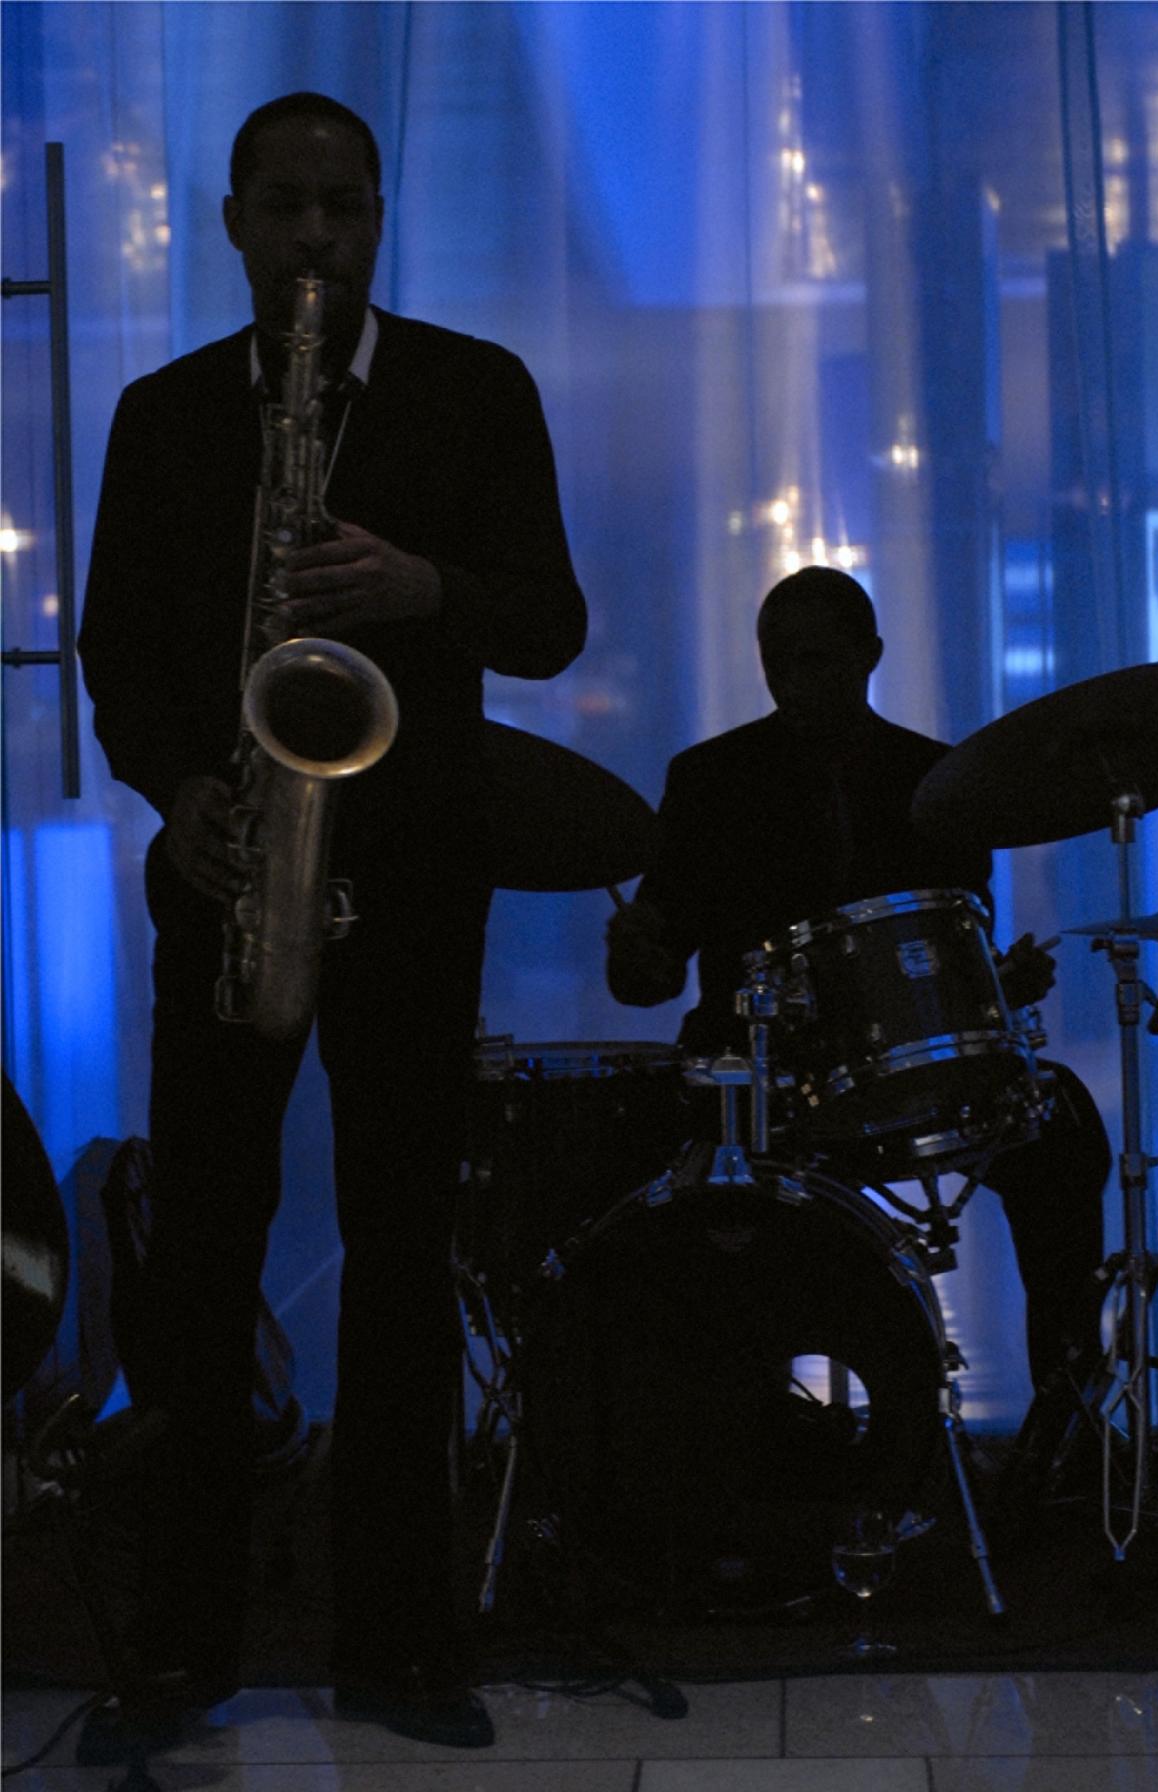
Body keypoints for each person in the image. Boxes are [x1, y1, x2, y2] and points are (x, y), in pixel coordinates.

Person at [77, 92, 586, 1756]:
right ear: (229, 220)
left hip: (417, 876)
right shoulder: (162, 420)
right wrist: (181, 795)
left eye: (344, 210)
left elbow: (553, 621)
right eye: (284, 209)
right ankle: (182, 1646)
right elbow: (121, 654)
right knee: (203, 1270)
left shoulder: (473, 393)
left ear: (382, 217)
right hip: (233, 872)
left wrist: (421, 585)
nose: (314, 241)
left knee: (399, 1261)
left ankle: (404, 1642)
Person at [607, 566, 1110, 1414]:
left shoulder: (940, 784)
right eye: (777, 662)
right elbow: (642, 985)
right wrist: (639, 957)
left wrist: (999, 983)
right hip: (751, 1080)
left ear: (869, 655)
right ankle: (724, 1424)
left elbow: (957, 954)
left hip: (907, 1078)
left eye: (817, 660)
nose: (794, 683)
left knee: (1060, 1136)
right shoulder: (710, 780)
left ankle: (1064, 1420)